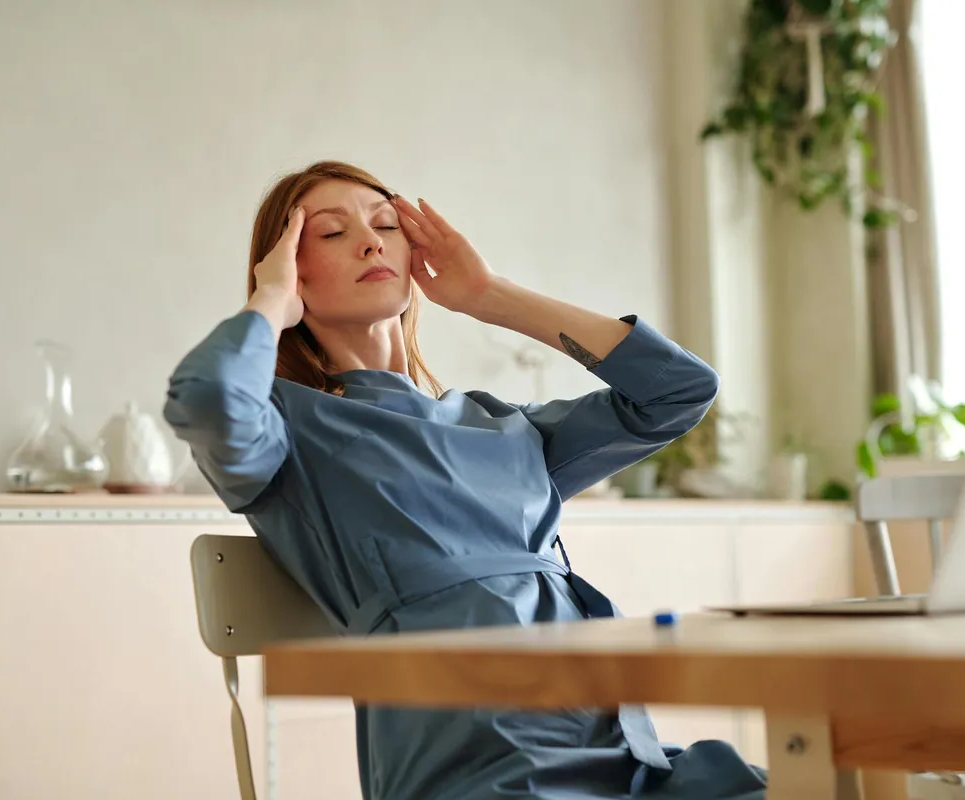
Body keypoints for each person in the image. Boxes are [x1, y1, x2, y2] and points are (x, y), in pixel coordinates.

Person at [163, 161, 767, 800]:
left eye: (387, 224)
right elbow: (205, 398)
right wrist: (269, 303)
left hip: (622, 751)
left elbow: (679, 393)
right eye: (332, 234)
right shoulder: (287, 428)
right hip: (478, 765)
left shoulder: (498, 423)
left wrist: (489, 296)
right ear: (289, 266)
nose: (371, 242)